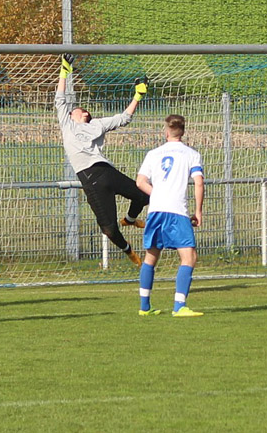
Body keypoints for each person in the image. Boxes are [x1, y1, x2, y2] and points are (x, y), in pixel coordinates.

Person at [56, 54, 150, 265]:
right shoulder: (67, 124)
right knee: (109, 229)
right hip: (90, 179)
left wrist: (138, 95)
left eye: (78, 108)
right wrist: (64, 71)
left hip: (106, 171)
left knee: (144, 195)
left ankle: (131, 219)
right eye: (73, 110)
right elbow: (59, 99)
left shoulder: (97, 124)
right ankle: (129, 252)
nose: (75, 109)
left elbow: (124, 118)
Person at [135, 114, 205, 317]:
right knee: (189, 256)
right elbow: (198, 182)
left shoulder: (153, 153)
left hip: (156, 210)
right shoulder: (191, 154)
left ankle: (144, 306)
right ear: (183, 132)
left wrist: (156, 193)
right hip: (176, 210)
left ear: (166, 132)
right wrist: (198, 211)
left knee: (151, 256)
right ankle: (179, 306)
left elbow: (140, 182)